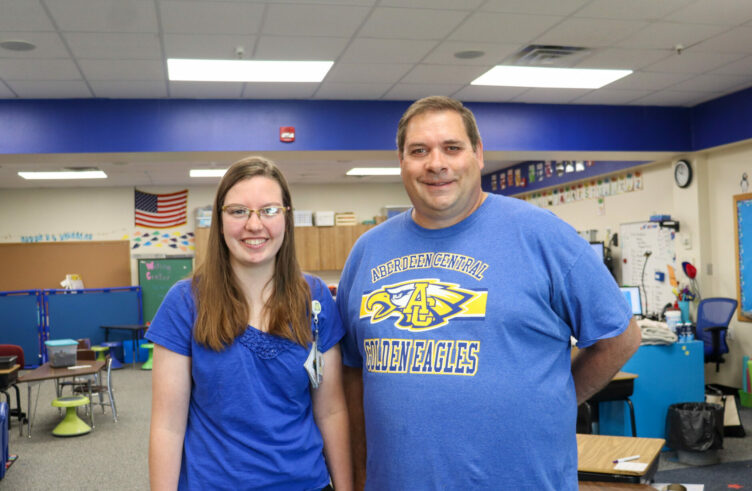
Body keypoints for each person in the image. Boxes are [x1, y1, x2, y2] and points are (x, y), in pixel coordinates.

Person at [338, 96, 641, 489]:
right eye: (419, 151)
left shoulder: (541, 234)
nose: (436, 163)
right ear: (401, 160)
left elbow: (620, 337)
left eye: (452, 147)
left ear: (478, 154)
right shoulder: (367, 251)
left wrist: (556, 397)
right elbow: (352, 371)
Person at [147, 156, 351, 490]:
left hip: (305, 482)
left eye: (269, 210)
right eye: (238, 211)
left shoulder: (314, 299)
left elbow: (331, 412)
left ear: (286, 217)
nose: (254, 225)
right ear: (220, 219)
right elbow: (168, 426)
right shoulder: (185, 302)